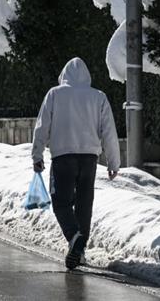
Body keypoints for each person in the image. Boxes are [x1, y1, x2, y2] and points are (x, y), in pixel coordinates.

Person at [31, 57, 120, 270]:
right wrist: (113, 162)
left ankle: (74, 237)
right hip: (90, 159)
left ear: (64, 75)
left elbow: (42, 126)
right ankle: (80, 251)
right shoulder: (98, 97)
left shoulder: (55, 94)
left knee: (61, 202)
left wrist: (37, 155)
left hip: (62, 157)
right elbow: (109, 131)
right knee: (83, 204)